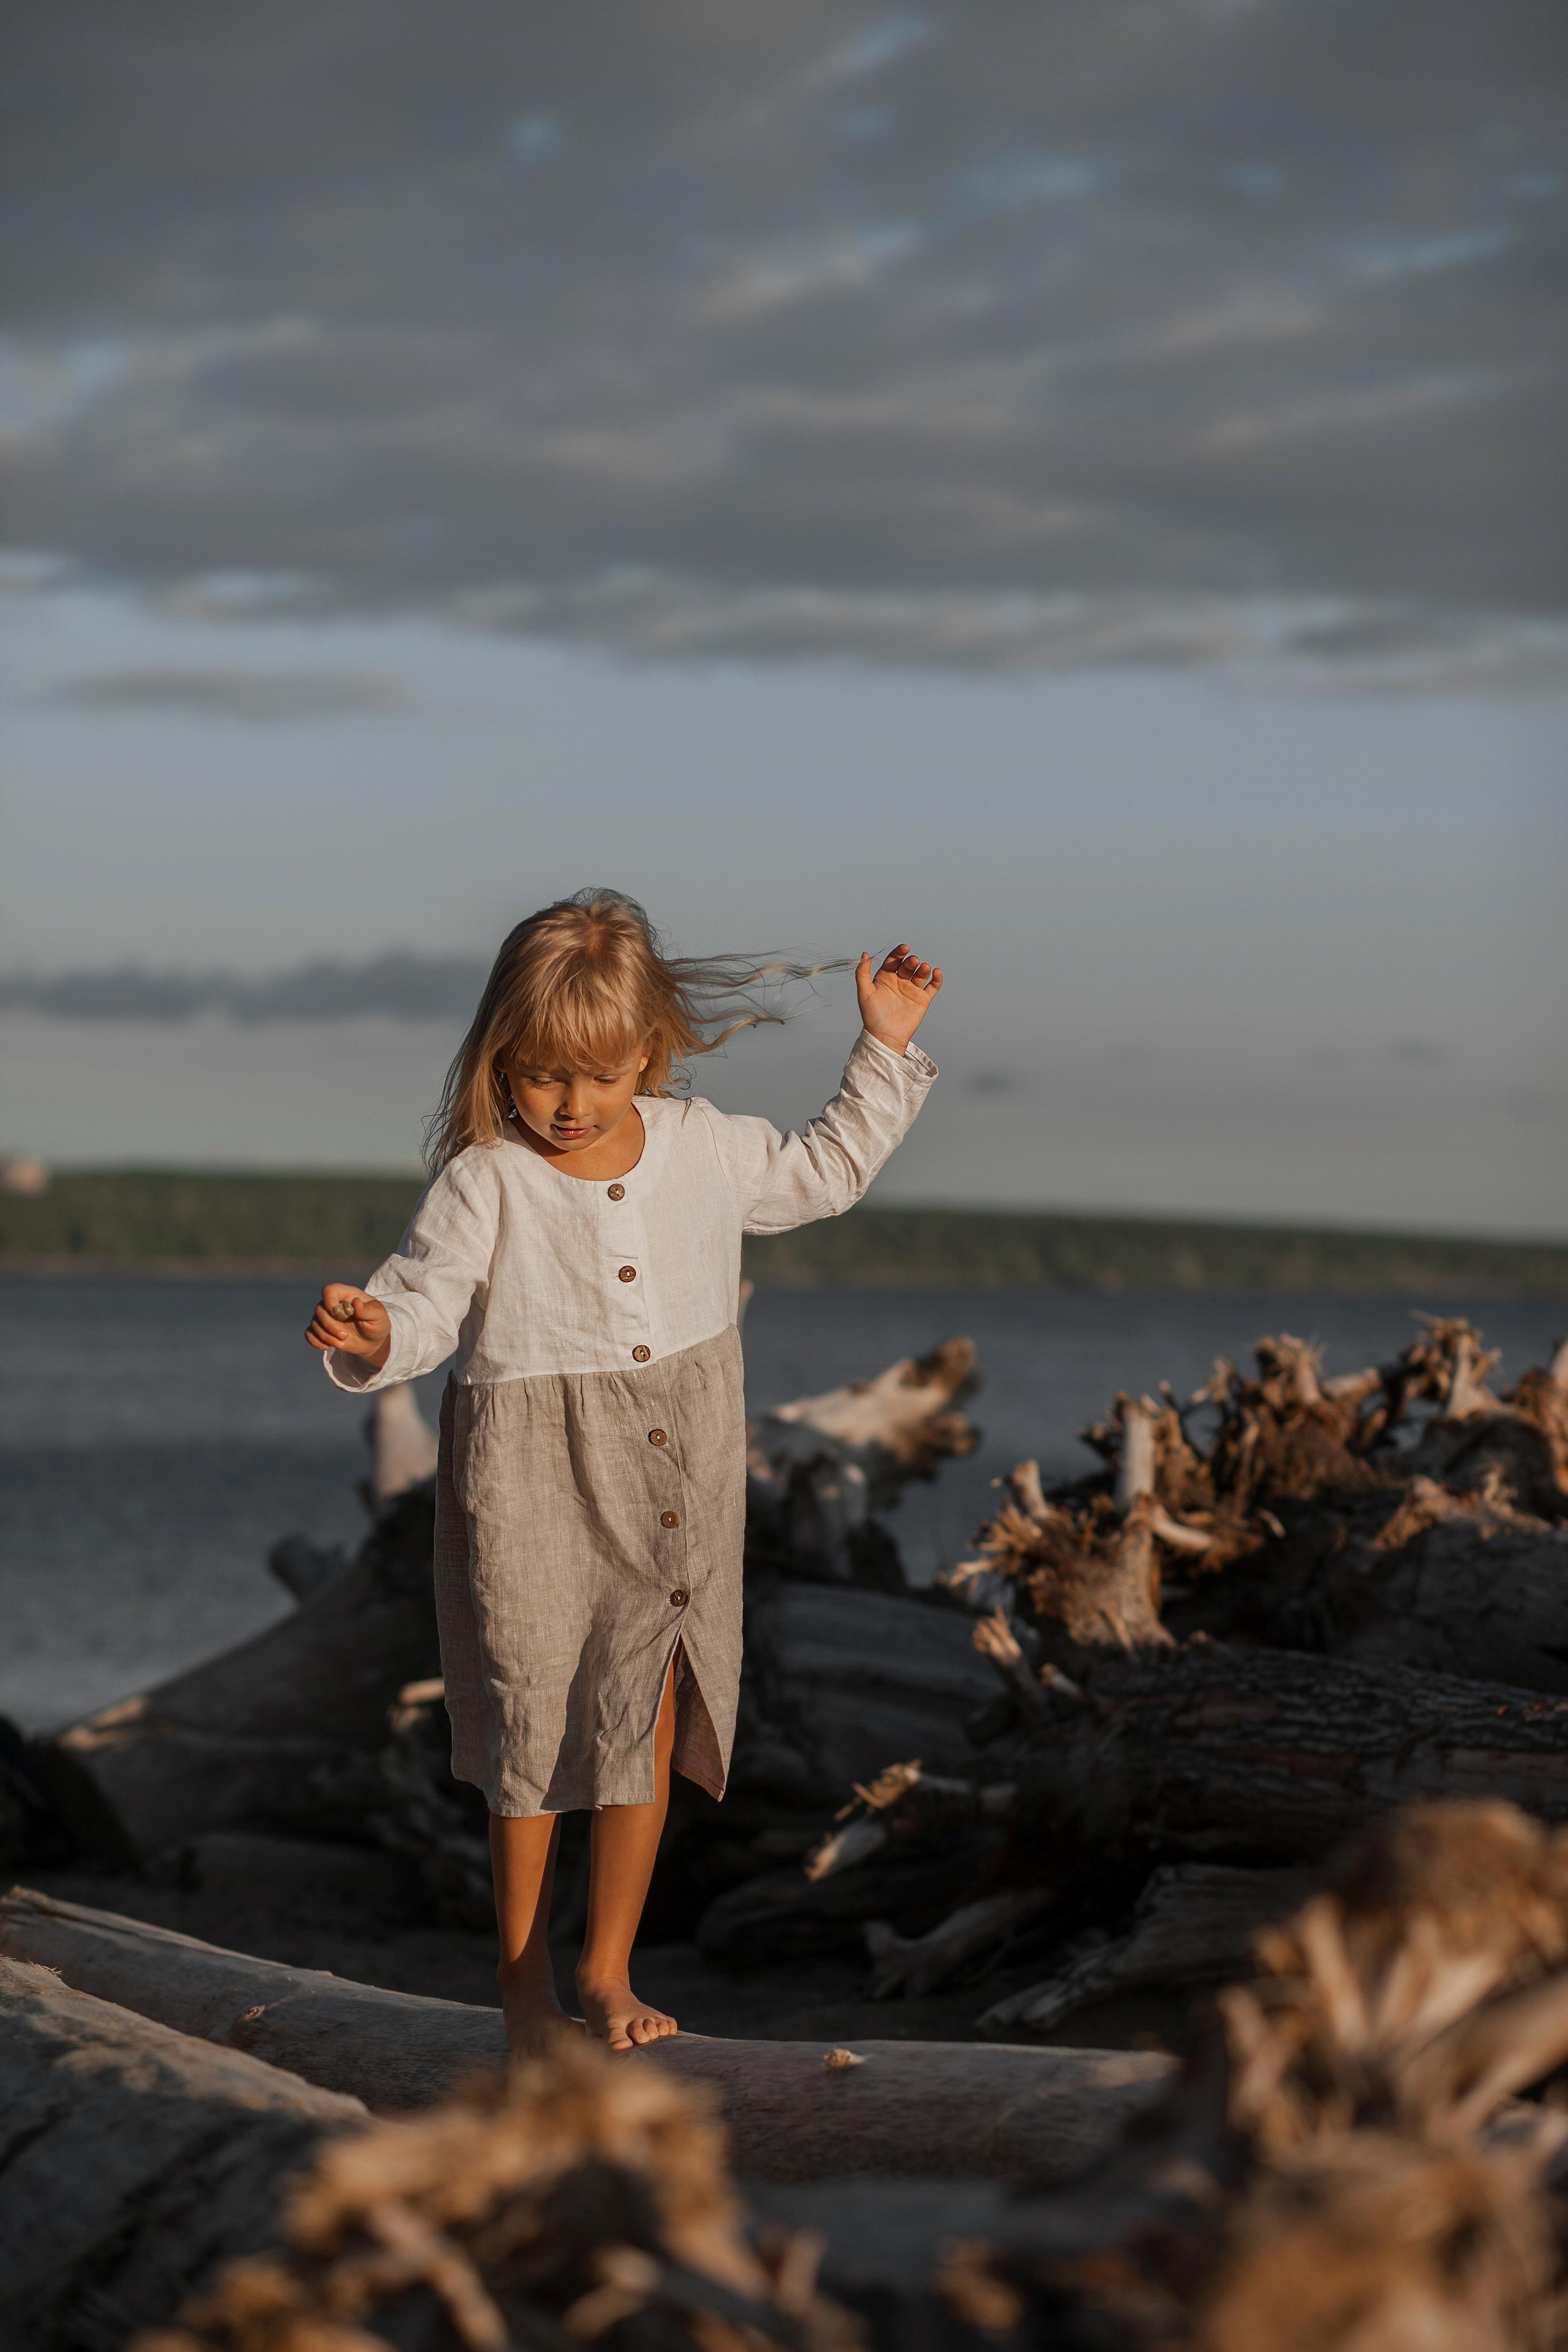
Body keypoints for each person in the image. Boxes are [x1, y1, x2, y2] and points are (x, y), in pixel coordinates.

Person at [306, 888, 941, 2054]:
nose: (569, 1103)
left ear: (648, 1051)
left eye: (597, 1075)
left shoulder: (706, 1147)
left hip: (679, 1468)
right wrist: (375, 1336)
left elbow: (825, 1175)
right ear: (503, 1060)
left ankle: (607, 1970)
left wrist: (884, 1045)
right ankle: (521, 1986)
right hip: (532, 1475)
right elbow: (427, 1304)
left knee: (645, 1712)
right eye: (541, 1074)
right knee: (534, 1730)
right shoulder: (484, 1180)